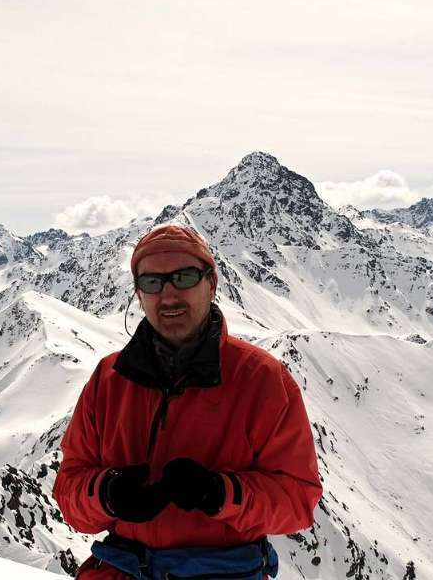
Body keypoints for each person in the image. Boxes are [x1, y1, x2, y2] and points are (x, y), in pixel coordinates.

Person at [52, 224, 323, 580]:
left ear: (211, 284)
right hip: (123, 569)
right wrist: (108, 493)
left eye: (184, 277)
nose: (168, 296)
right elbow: (70, 491)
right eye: (152, 282)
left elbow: (297, 501)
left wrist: (220, 493)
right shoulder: (109, 380)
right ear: (138, 294)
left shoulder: (264, 380)